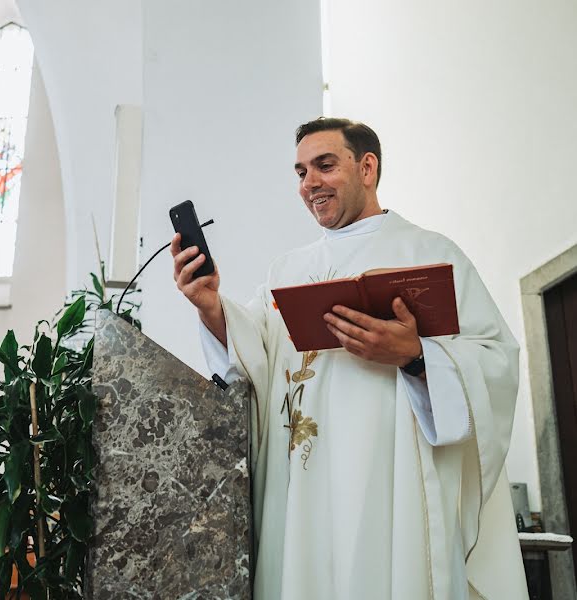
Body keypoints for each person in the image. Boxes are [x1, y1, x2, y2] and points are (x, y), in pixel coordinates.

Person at [171, 118, 526, 599]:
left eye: (324, 165)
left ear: (367, 167)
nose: (309, 183)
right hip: (305, 493)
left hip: (391, 484)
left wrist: (418, 357)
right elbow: (253, 362)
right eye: (300, 172)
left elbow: (496, 360)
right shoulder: (288, 271)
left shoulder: (428, 252)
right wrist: (211, 306)